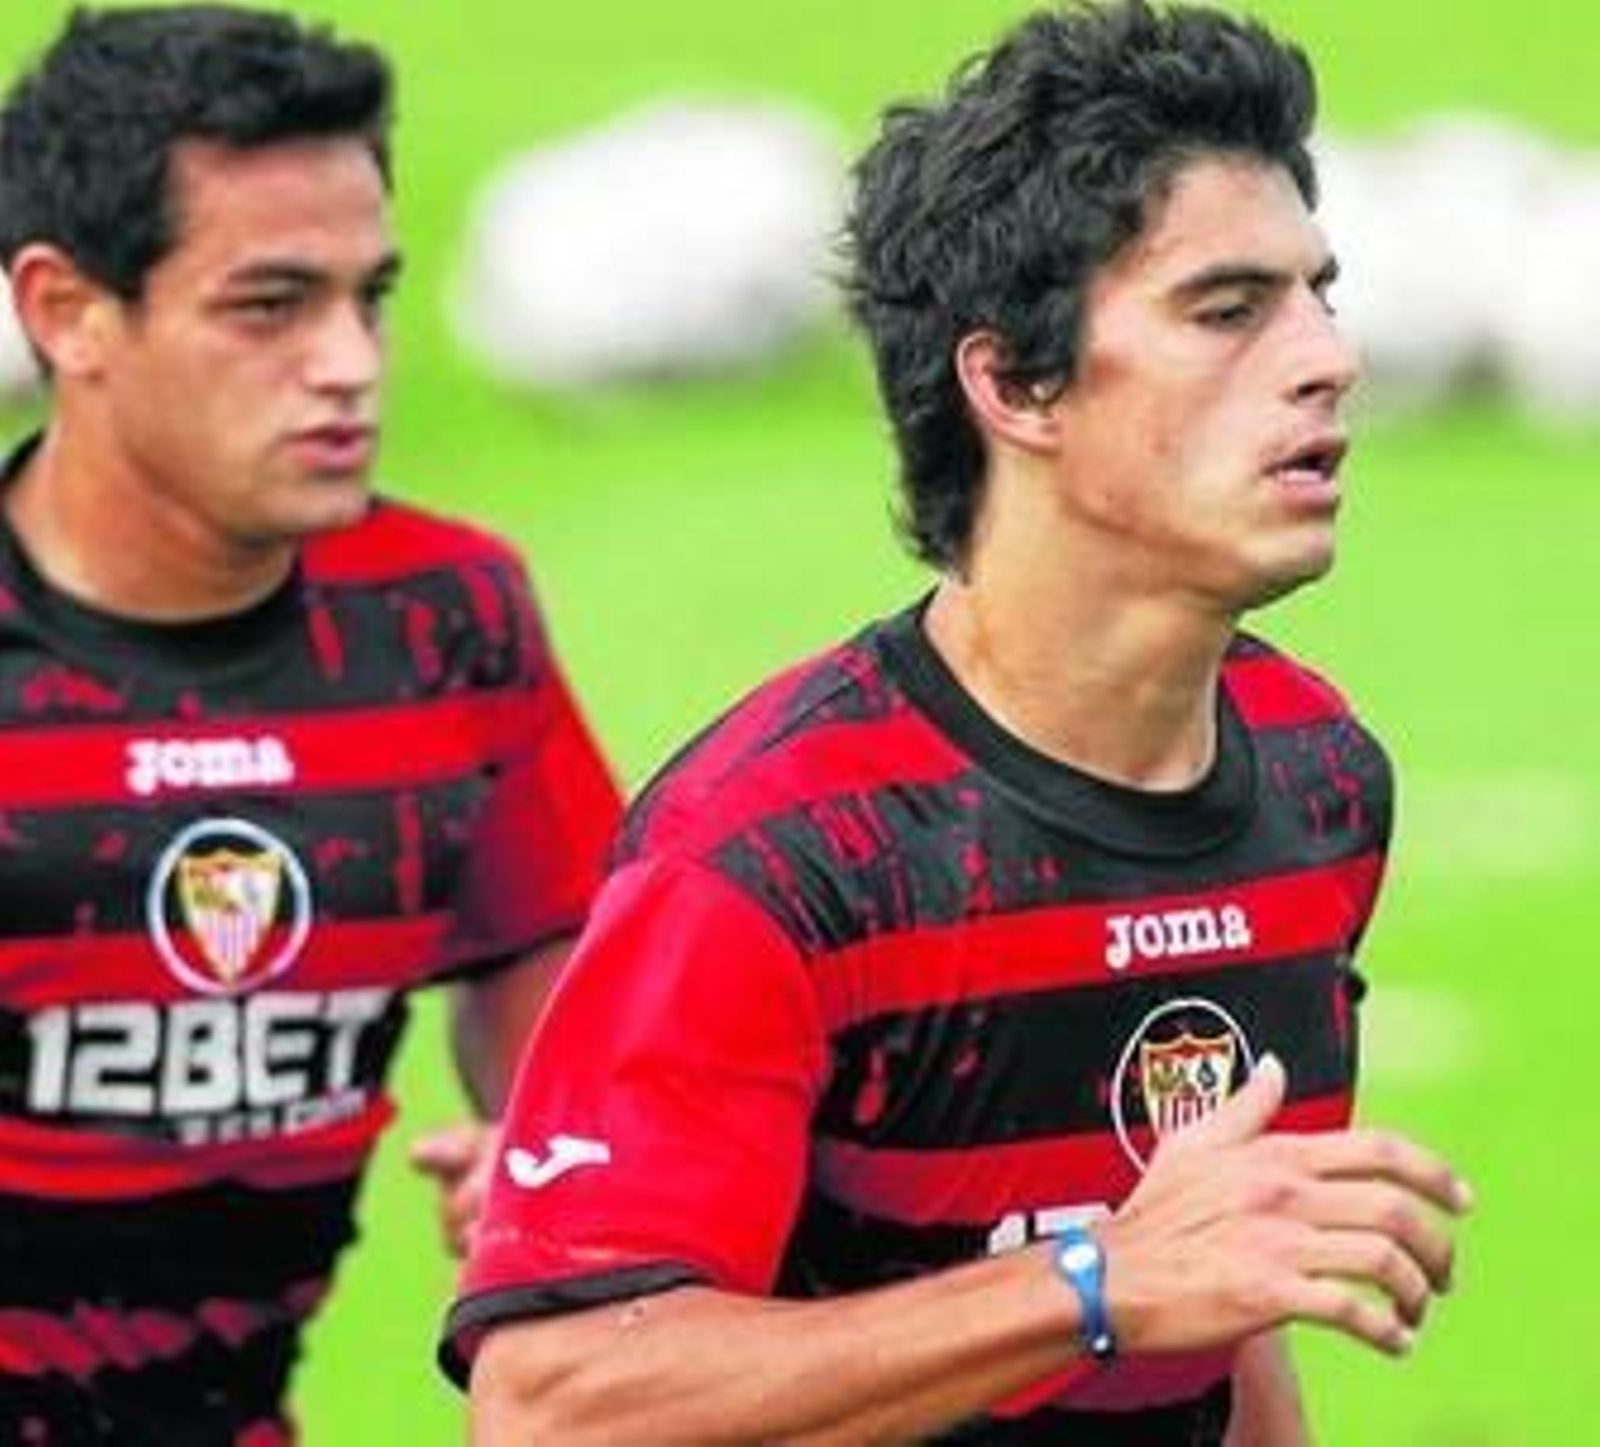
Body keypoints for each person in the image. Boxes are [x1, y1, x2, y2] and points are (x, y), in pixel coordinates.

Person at [444, 2, 1472, 1443]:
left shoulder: (1315, 784)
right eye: (1229, 310)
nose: (1327, 357)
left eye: (1320, 294)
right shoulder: (781, 848)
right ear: (1013, 383)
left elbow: (1213, 1316)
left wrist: (1166, 1280)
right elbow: (553, 1406)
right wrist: (1094, 1282)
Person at [0, 7, 620, 1444]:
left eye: (370, 296)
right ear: (68, 312)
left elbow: (561, 976)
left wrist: (562, 1174)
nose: (347, 363)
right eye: (270, 306)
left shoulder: (442, 621)